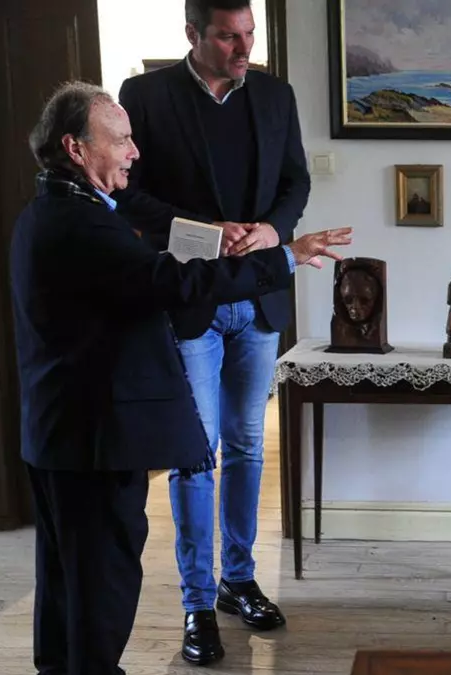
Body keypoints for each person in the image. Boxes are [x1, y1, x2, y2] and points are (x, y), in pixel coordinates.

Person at [9, 81, 349, 675]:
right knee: (101, 585)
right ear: (75, 148)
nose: (134, 152)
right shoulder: (80, 222)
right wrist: (284, 257)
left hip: (62, 434)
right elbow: (173, 283)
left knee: (68, 581)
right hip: (93, 442)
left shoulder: (54, 210)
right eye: (121, 140)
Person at [110, 0, 309, 665]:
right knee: (196, 454)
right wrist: (203, 232)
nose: (243, 48)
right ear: (193, 34)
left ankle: (238, 580)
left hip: (258, 301)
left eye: (249, 34)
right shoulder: (144, 95)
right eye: (228, 37)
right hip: (188, 299)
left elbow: (295, 180)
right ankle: (197, 602)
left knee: (248, 446)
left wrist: (273, 230)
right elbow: (126, 193)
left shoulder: (276, 95)